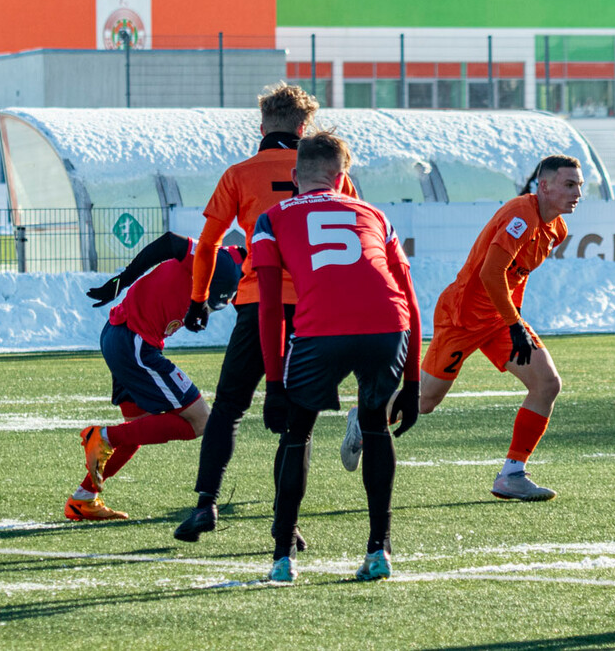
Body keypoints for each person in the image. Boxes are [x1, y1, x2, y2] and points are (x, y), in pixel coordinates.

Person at [173, 82, 358, 546]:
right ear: (304, 128)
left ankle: (205, 504)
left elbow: (210, 244)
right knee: (299, 418)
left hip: (257, 304)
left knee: (229, 408)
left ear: (262, 127)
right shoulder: (330, 170)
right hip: (315, 307)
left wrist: (198, 299)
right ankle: (286, 522)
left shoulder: (239, 173)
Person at [253, 130, 421, 583]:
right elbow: (409, 296)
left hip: (320, 330)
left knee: (298, 432)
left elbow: (269, 308)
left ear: (294, 175)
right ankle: (379, 550)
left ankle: (282, 557)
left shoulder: (271, 219)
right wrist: (413, 383)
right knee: (375, 427)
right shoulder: (375, 214)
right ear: (343, 178)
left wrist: (272, 383)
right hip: (388, 325)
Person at [387, 154, 582, 501]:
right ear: (545, 185)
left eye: (579, 185)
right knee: (426, 402)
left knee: (547, 383)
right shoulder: (521, 214)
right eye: (569, 184)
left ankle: (512, 474)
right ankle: (365, 416)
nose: (577, 192)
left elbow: (514, 277)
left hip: (499, 319)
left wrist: (514, 320)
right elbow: (489, 274)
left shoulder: (557, 229)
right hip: (463, 316)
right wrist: (515, 324)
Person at [69, 232, 242, 521]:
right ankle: (103, 436)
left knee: (137, 431)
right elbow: (170, 243)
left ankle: (83, 498)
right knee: (201, 421)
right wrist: (123, 280)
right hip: (134, 342)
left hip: (122, 336)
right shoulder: (225, 262)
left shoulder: (244, 273)